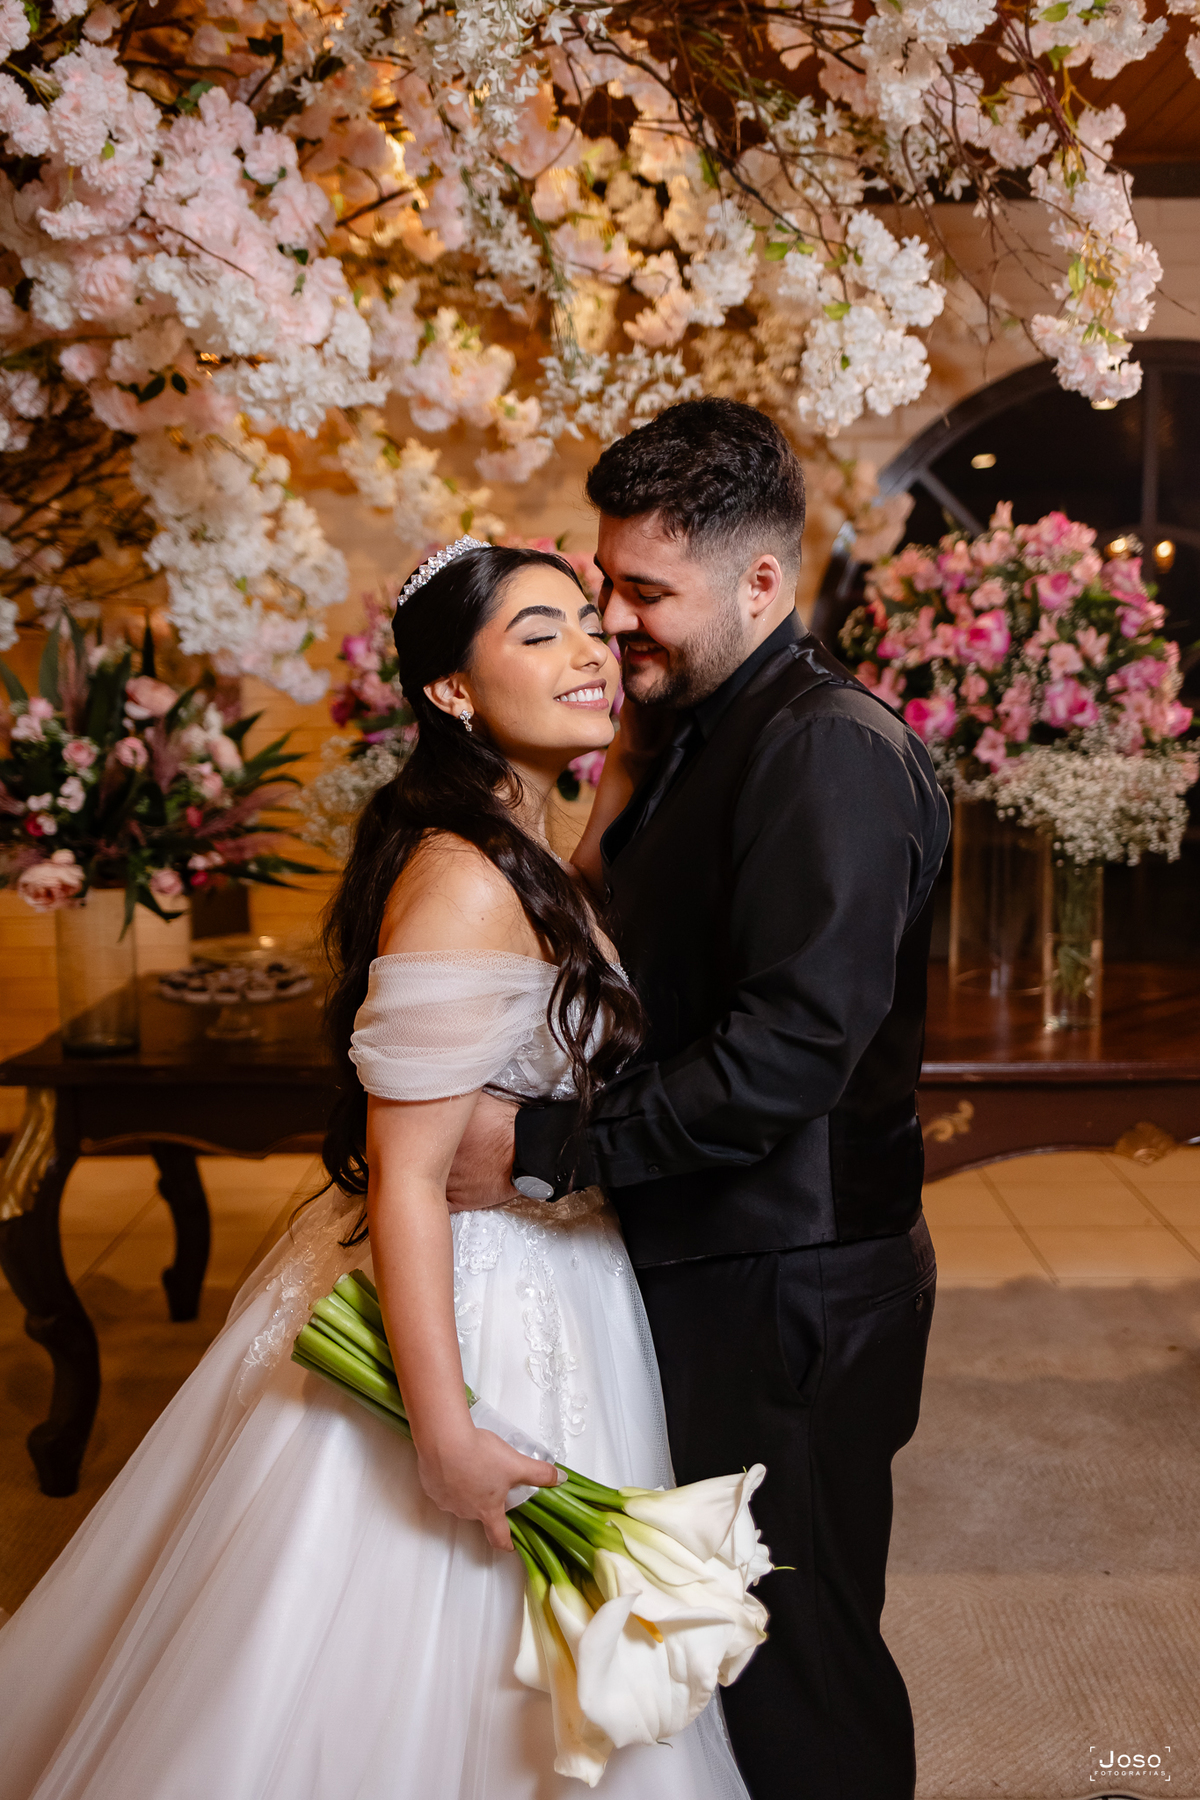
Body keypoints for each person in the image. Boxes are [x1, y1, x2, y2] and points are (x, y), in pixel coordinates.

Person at [0, 543, 751, 1800]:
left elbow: (547, 944)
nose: (589, 649)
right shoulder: (460, 878)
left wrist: (619, 770)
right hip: (477, 1284)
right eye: (538, 634)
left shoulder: (513, 843)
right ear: (450, 690)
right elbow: (406, 1179)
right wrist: (446, 1433)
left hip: (557, 1267)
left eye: (588, 622)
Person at [447, 399, 953, 1800]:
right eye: (605, 581)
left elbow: (790, 1053)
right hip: (711, 1249)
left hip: (795, 1282)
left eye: (647, 592)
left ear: (763, 581)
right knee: (711, 1638)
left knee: (798, 1659)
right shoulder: (694, 728)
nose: (613, 618)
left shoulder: (828, 750)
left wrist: (542, 1148)